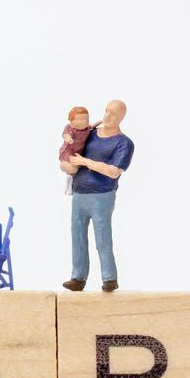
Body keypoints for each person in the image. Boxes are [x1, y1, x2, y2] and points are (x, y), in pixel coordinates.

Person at [60, 99, 135, 293]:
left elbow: (112, 171)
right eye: (106, 111)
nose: (107, 116)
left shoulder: (123, 143)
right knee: (77, 237)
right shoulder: (90, 134)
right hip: (79, 193)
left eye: (113, 114)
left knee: (102, 237)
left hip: (102, 196)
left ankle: (109, 278)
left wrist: (85, 161)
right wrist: (66, 165)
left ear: (121, 118)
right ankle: (78, 277)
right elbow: (69, 154)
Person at [59, 106, 94, 196]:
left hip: (79, 152)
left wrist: (101, 122)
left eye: (86, 119)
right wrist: (68, 138)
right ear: (71, 121)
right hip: (68, 151)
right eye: (81, 119)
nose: (85, 121)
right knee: (73, 168)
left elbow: (92, 126)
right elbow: (65, 134)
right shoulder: (69, 128)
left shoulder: (86, 128)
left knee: (79, 166)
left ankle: (74, 180)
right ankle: (70, 181)